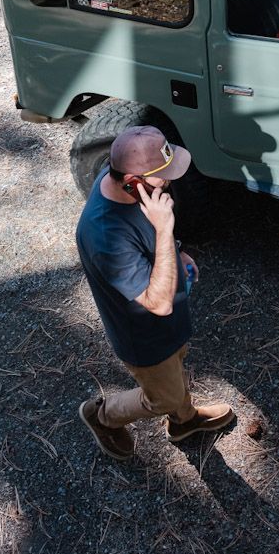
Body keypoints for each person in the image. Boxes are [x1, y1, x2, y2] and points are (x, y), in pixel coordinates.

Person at [76, 125, 235, 460]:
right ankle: (102, 415)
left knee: (177, 369)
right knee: (160, 395)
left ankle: (184, 421)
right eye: (163, 178)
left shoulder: (121, 177)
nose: (169, 185)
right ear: (133, 181)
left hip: (170, 322)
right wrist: (165, 229)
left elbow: (147, 235)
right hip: (145, 336)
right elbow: (158, 305)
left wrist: (176, 250)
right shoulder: (105, 235)